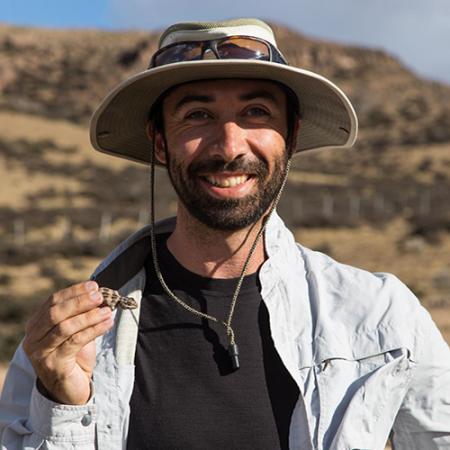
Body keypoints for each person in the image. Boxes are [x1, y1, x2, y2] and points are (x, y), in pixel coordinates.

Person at [1, 18, 449, 450]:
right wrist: (62, 404)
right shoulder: (68, 337)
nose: (230, 146)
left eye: (256, 113)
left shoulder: (380, 316)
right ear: (160, 142)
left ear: (289, 137)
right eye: (198, 115)